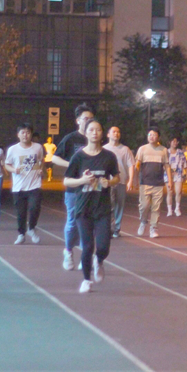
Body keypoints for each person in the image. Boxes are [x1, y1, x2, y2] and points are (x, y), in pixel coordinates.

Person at [64, 119, 120, 293]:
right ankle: (86, 280)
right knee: (87, 246)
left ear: (102, 133)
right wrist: (82, 180)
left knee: (103, 246)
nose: (95, 133)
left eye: (98, 130)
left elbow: (117, 177)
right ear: (86, 133)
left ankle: (99, 260)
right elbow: (66, 181)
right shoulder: (78, 157)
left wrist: (109, 182)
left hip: (102, 207)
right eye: (91, 130)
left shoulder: (109, 156)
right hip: (83, 208)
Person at [52, 103, 94, 270]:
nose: (88, 121)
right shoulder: (71, 138)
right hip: (74, 188)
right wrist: (71, 164)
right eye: (85, 118)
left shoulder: (95, 139)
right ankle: (68, 251)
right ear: (78, 120)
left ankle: (85, 256)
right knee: (72, 222)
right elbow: (55, 158)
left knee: (88, 222)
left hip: (91, 187)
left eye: (91, 119)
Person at [5, 123, 44, 245]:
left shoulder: (38, 147)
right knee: (21, 213)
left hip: (34, 185)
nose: (25, 135)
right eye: (23, 132)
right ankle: (21, 234)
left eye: (28, 132)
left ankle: (31, 228)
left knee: (34, 208)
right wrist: (14, 170)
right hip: (19, 187)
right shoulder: (12, 149)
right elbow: (7, 164)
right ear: (18, 134)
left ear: (31, 134)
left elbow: (41, 160)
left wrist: (41, 169)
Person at [135, 127, 173, 238]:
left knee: (156, 208)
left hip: (158, 183)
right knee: (144, 206)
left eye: (154, 135)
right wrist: (134, 178)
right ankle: (143, 221)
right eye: (150, 135)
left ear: (158, 137)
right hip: (145, 182)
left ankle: (153, 228)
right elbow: (137, 164)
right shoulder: (142, 149)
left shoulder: (163, 150)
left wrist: (170, 181)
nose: (152, 137)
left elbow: (167, 166)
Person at [103, 126, 135, 238]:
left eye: (118, 132)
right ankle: (108, 228)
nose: (116, 133)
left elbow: (131, 165)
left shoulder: (125, 149)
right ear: (108, 135)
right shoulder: (104, 149)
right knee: (109, 205)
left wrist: (130, 180)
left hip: (121, 181)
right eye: (114, 132)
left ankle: (116, 229)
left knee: (119, 206)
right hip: (108, 182)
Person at [165, 137, 187, 217]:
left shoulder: (180, 152)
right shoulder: (166, 152)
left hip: (178, 174)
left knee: (178, 191)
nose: (175, 143)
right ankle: (169, 210)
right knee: (170, 192)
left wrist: (186, 173)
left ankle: (177, 208)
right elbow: (163, 163)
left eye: (176, 141)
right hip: (168, 175)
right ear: (170, 142)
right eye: (173, 141)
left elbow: (185, 163)